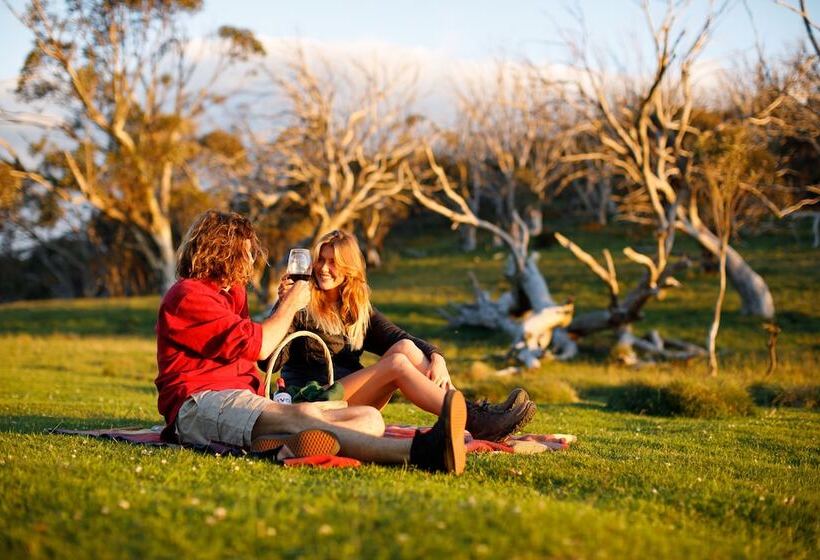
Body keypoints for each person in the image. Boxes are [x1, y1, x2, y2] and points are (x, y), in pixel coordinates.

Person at [154, 210, 467, 474]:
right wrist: (290, 303)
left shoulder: (232, 294)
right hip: (200, 403)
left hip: (244, 400)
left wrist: (435, 355)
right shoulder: (188, 296)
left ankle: (279, 444)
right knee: (305, 416)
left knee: (369, 418)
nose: (252, 257)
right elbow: (262, 348)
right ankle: (422, 452)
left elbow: (248, 354)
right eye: (247, 250)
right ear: (224, 250)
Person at [268, 230, 536, 442]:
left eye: (333, 262)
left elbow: (401, 337)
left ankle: (472, 413)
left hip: (347, 396)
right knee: (396, 365)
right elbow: (269, 361)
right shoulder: (301, 304)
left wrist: (437, 357)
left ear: (349, 269)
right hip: (315, 399)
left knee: (405, 349)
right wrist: (284, 306)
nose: (324, 269)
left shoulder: (357, 310)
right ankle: (475, 420)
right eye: (321, 260)